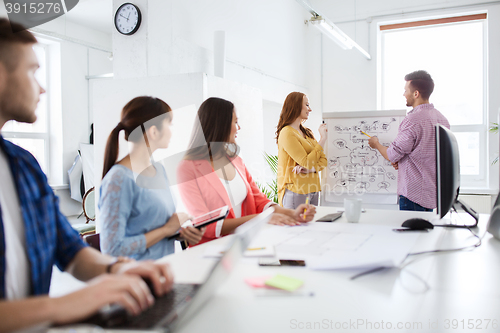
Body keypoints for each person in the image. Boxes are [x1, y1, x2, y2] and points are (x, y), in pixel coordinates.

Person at [0, 18, 173, 332]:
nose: (42, 87)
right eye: (32, 71)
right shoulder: (119, 178)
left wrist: (118, 270)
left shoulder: (23, 166)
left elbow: (71, 252)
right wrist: (65, 305)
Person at [177, 97, 316, 246]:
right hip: (211, 251)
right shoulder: (188, 168)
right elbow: (206, 225)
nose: (239, 128)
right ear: (220, 125)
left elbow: (259, 200)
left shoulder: (236, 160)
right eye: (235, 122)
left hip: (244, 245)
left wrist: (291, 213)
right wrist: (261, 220)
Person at [100, 96, 205, 260]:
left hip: (165, 270)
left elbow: (154, 226)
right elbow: (112, 248)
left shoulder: (159, 169)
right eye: (169, 124)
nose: (172, 131)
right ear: (153, 131)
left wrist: (180, 232)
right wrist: (166, 230)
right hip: (136, 279)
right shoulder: (119, 179)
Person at [368, 70, 450, 211]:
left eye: (405, 90)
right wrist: (403, 163)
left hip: (413, 196)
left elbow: (391, 155)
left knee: (410, 233)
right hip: (431, 194)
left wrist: (376, 144)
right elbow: (427, 156)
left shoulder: (413, 120)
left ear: (416, 93)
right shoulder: (443, 119)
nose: (404, 94)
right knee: (425, 232)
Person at [275, 92, 328, 208]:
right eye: (307, 105)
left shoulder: (306, 132)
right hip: (296, 190)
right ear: (296, 106)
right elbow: (306, 162)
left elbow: (323, 161)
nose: (310, 109)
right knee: (297, 226)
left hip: (314, 189)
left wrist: (311, 170)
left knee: (312, 225)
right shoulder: (287, 133)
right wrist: (322, 140)